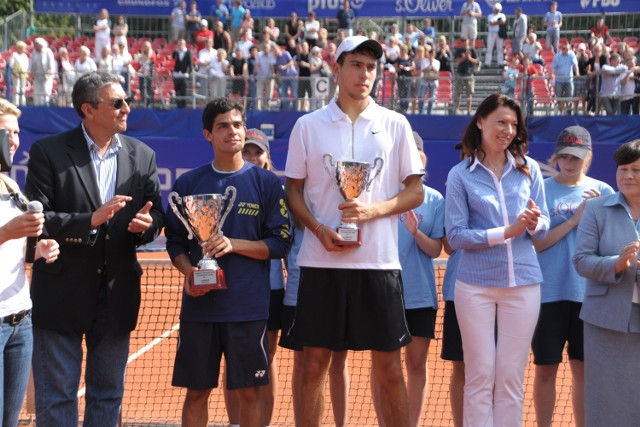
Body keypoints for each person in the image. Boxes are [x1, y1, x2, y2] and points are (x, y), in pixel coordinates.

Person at [284, 35, 425, 427]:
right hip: (320, 263)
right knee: (313, 366)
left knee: (390, 370)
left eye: (371, 66)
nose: (365, 74)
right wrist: (316, 228)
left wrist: (374, 210)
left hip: (379, 266)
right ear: (337, 68)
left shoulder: (395, 124)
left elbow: (415, 191)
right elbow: (291, 190)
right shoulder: (307, 126)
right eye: (357, 64)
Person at [24, 71, 164, 427]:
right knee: (57, 396)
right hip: (61, 292)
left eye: (126, 100)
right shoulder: (48, 152)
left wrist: (147, 228)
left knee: (107, 396)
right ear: (88, 109)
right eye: (117, 102)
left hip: (116, 294)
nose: (126, 108)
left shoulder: (142, 155)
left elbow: (156, 213)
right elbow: (36, 218)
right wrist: (89, 220)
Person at [165, 97, 291, 427]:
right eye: (223, 126)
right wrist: (189, 271)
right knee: (196, 393)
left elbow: (280, 242)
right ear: (208, 134)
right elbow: (175, 242)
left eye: (237, 125)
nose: (232, 132)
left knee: (249, 393)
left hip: (248, 308)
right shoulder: (189, 184)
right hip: (200, 310)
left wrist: (233, 244)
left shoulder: (266, 184)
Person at [445, 93, 550, 426]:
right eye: (500, 122)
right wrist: (506, 231)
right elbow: (457, 235)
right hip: (474, 287)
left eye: (513, 125)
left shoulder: (530, 168)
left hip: (524, 285)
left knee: (510, 377)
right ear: (480, 122)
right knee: (479, 376)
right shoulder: (459, 175)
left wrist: (535, 223)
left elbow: (544, 223)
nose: (507, 130)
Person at [532, 126, 613, 427]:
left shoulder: (603, 192)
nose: (568, 163)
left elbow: (607, 247)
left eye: (576, 158)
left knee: (583, 370)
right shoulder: (540, 188)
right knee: (544, 370)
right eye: (564, 156)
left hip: (588, 296)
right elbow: (538, 244)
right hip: (547, 294)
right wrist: (576, 217)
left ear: (588, 158)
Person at [371, 132, 444, 427]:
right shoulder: (378, 196)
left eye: (415, 152)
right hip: (382, 295)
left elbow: (435, 249)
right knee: (383, 366)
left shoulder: (435, 199)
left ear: (422, 158)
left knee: (416, 365)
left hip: (420, 296)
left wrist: (416, 232)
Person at [0, 98, 59, 427]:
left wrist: (37, 250)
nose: (13, 139)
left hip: (20, 321)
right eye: (5, 132)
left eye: (17, 132)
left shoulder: (10, 184)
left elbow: (14, 250)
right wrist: (5, 232)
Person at [573, 139, 640, 426]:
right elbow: (581, 260)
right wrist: (617, 263)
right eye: (623, 169)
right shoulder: (596, 208)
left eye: (636, 169)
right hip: (605, 321)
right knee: (605, 399)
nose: (627, 176)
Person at [440, 239, 464, 427]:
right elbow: (449, 246)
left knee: (498, 369)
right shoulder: (451, 207)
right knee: (460, 368)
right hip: (458, 292)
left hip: (502, 293)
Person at [550, 42, 579, 114]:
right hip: (559, 80)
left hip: (569, 80)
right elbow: (553, 67)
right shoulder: (557, 56)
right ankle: (561, 113)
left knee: (570, 95)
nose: (565, 50)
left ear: (569, 49)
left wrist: (577, 73)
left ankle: (562, 108)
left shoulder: (572, 55)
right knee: (559, 97)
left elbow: (575, 65)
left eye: (567, 49)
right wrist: (552, 74)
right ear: (561, 49)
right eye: (563, 49)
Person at [28, 38, 55, 106]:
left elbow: (51, 64)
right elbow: (31, 63)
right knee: (37, 93)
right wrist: (29, 71)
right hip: (37, 76)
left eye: (36, 45)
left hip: (46, 77)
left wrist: (50, 72)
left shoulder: (48, 51)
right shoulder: (34, 52)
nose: (35, 46)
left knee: (46, 92)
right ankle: (37, 107)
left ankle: (45, 106)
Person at [454, 38, 478, 115]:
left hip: (469, 74)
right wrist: (465, 57)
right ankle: (457, 109)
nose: (464, 43)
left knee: (469, 93)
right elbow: (457, 61)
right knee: (459, 92)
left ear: (468, 41)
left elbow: (476, 61)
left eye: (466, 41)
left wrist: (469, 58)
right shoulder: (459, 50)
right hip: (460, 73)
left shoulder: (472, 50)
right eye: (463, 41)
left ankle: (469, 110)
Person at [274, 43, 298, 111]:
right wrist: (279, 76)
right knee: (284, 95)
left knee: (294, 94)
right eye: (274, 51)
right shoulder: (276, 59)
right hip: (284, 78)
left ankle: (294, 110)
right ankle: (286, 110)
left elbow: (291, 62)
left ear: (279, 49)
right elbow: (278, 69)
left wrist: (284, 67)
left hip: (292, 76)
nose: (275, 52)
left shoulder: (286, 53)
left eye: (276, 50)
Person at [172, 38, 193, 108]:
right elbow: (172, 60)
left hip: (184, 75)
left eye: (182, 44)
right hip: (176, 75)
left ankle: (184, 107)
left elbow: (190, 64)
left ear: (184, 44)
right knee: (177, 92)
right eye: (179, 44)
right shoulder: (175, 52)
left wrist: (188, 73)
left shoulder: (188, 52)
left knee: (184, 92)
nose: (180, 45)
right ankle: (178, 106)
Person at [135, 41, 156, 107]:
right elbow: (138, 64)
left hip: (148, 75)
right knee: (142, 88)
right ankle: (144, 102)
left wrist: (146, 70)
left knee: (148, 89)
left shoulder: (152, 55)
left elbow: (152, 65)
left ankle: (149, 103)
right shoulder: (141, 55)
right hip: (142, 75)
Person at [485, 3, 506, 68]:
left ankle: (500, 62)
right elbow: (491, 23)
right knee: (489, 48)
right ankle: (487, 63)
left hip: (499, 33)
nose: (496, 10)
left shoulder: (502, 15)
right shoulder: (490, 16)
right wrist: (498, 22)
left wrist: (495, 23)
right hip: (491, 33)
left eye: (497, 9)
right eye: (495, 9)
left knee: (499, 48)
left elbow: (502, 22)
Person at [9, 41, 28, 106]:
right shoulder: (14, 55)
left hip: (23, 75)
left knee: (23, 90)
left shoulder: (25, 56)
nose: (25, 49)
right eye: (23, 48)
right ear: (20, 48)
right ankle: (15, 104)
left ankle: (23, 104)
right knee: (16, 89)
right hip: (16, 75)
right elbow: (11, 65)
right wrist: (14, 73)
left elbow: (26, 66)